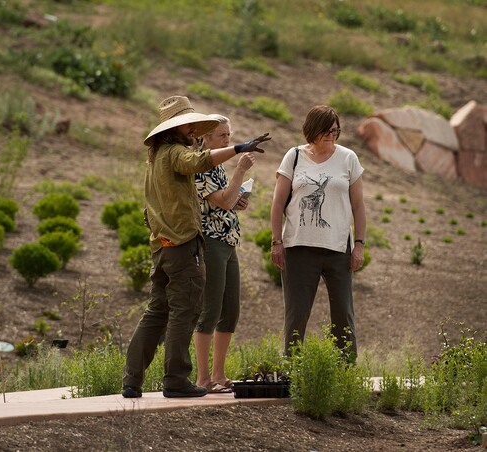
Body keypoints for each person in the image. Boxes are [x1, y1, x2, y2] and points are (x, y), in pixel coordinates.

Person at [122, 96, 270, 398]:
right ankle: (176, 379)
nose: (193, 130)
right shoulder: (175, 153)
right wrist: (240, 148)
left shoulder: (156, 158)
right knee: (184, 311)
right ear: (175, 128)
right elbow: (199, 161)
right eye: (189, 125)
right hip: (181, 245)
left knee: (156, 312)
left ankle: (131, 380)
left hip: (162, 246)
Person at [270, 104, 366, 358]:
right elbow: (278, 203)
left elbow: (358, 205)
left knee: (343, 314)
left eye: (335, 130)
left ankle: (345, 371)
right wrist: (276, 241)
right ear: (313, 129)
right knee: (297, 314)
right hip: (299, 248)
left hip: (338, 249)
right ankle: (292, 370)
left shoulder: (348, 158)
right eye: (326, 129)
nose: (331, 135)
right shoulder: (294, 156)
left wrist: (359, 244)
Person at [193, 114, 257, 393]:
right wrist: (240, 172)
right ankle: (203, 378)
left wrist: (238, 200)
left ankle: (218, 374)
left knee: (230, 310)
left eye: (229, 134)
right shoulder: (200, 167)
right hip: (211, 241)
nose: (228, 140)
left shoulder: (218, 168)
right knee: (211, 309)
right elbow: (221, 200)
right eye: (222, 136)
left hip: (229, 241)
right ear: (205, 138)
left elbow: (228, 201)